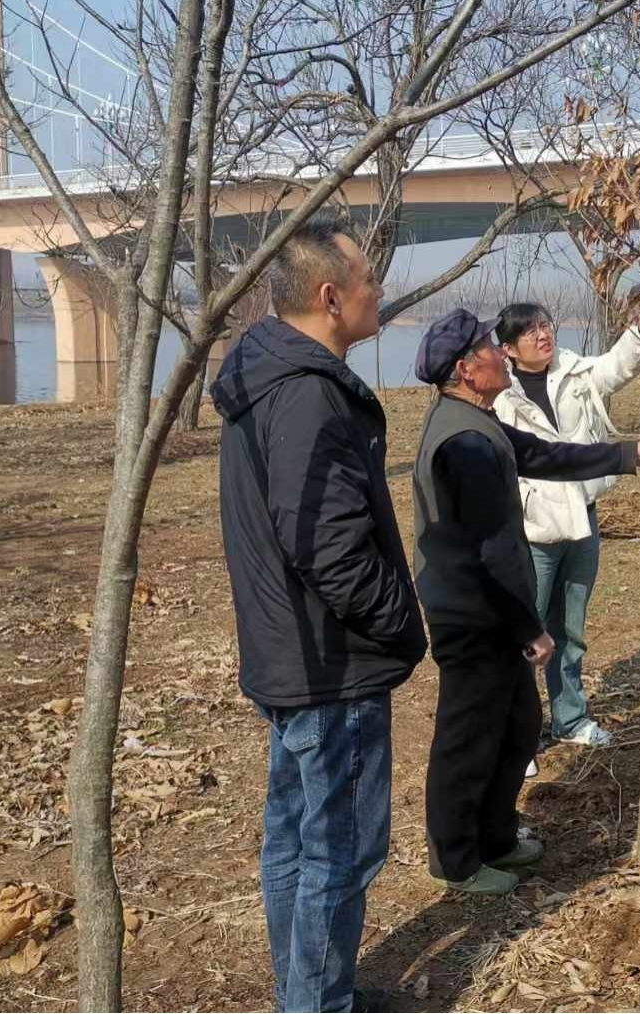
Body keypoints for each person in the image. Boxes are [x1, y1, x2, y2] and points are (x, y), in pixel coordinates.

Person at [211, 214, 425, 1013]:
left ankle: (307, 995)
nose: (380, 290)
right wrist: (399, 625)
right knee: (338, 851)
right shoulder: (305, 395)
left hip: (292, 651)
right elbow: (328, 549)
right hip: (330, 665)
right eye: (369, 279)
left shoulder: (270, 374)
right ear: (331, 297)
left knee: (298, 842)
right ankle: (317, 1003)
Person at [411, 309, 640, 895]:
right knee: (468, 738)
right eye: (489, 348)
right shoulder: (465, 442)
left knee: (517, 724)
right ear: (467, 370)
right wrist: (531, 628)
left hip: (489, 607)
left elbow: (544, 455)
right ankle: (456, 860)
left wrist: (625, 455)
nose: (501, 353)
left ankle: (496, 837)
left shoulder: (481, 422)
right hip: (471, 614)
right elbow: (493, 550)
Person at [492, 301, 640, 749]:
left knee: (571, 631)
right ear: (508, 349)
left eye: (545, 325)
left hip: (583, 521)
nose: (543, 335)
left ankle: (571, 718)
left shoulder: (573, 371)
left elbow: (616, 368)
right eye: (529, 331)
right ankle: (518, 737)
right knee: (528, 635)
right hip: (534, 530)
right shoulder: (501, 394)